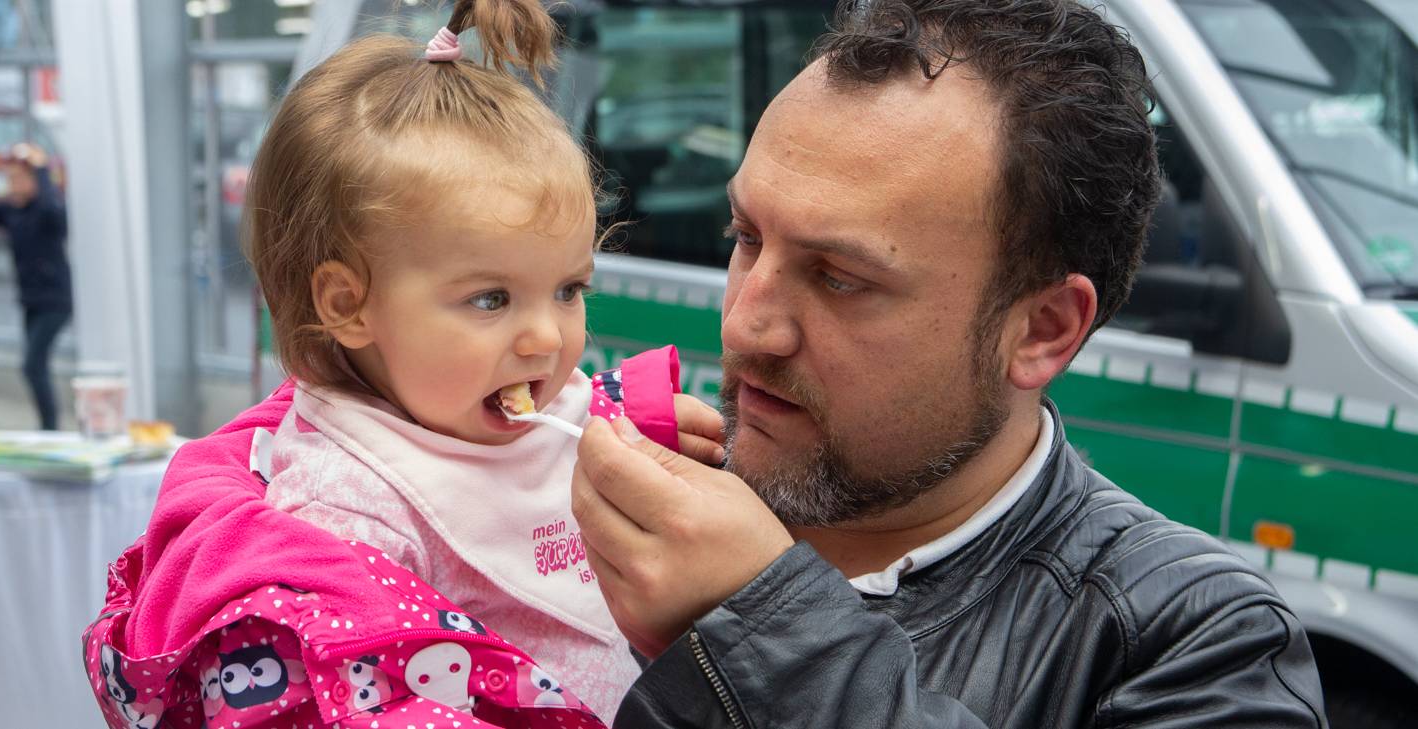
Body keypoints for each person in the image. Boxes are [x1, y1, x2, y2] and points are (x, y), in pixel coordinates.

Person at [566, 0, 1327, 726]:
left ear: (1042, 330)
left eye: (840, 278)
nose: (747, 324)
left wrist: (761, 628)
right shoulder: (624, 509)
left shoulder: (1193, 644)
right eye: (748, 237)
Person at [81, 2, 719, 727]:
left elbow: (563, 420)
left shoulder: (477, 401)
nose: (546, 338)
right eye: (490, 299)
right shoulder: (341, 510)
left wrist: (629, 420)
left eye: (569, 289)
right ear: (351, 306)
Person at [0, 144, 71, 430]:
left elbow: (52, 207)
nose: (14, 185)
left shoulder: (47, 211)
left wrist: (39, 168)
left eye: (19, 179)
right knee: (35, 367)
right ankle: (47, 425)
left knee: (33, 364)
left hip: (55, 300)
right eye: (10, 179)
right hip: (30, 300)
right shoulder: (14, 213)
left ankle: (50, 428)